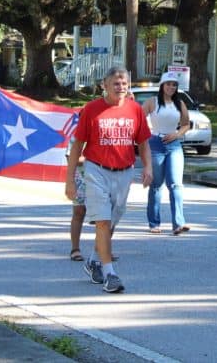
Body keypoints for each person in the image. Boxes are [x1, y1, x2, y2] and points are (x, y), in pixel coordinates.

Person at [65, 66, 152, 293]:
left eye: (124, 83)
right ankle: (109, 274)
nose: (120, 87)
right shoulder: (92, 110)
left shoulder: (135, 110)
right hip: (96, 170)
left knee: (112, 220)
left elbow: (143, 143)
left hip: (124, 172)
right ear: (104, 85)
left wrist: (148, 168)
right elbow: (77, 146)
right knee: (102, 221)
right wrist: (70, 180)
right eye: (116, 83)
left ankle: (94, 259)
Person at [142, 71, 191, 235]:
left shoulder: (180, 103)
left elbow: (186, 124)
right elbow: (139, 119)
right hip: (156, 143)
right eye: (168, 84)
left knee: (175, 184)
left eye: (174, 85)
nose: (171, 87)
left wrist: (177, 134)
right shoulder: (152, 102)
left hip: (174, 145)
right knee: (156, 185)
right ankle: (154, 223)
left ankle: (179, 223)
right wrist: (147, 136)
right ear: (162, 85)